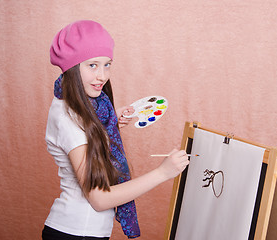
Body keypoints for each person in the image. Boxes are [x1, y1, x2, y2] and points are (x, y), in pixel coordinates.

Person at [42, 20, 189, 240]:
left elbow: (86, 140)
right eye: (92, 65)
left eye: (107, 64)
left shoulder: (86, 107)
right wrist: (162, 173)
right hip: (76, 233)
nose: (102, 75)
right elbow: (99, 199)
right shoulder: (68, 117)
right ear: (72, 67)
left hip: (80, 231)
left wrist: (105, 125)